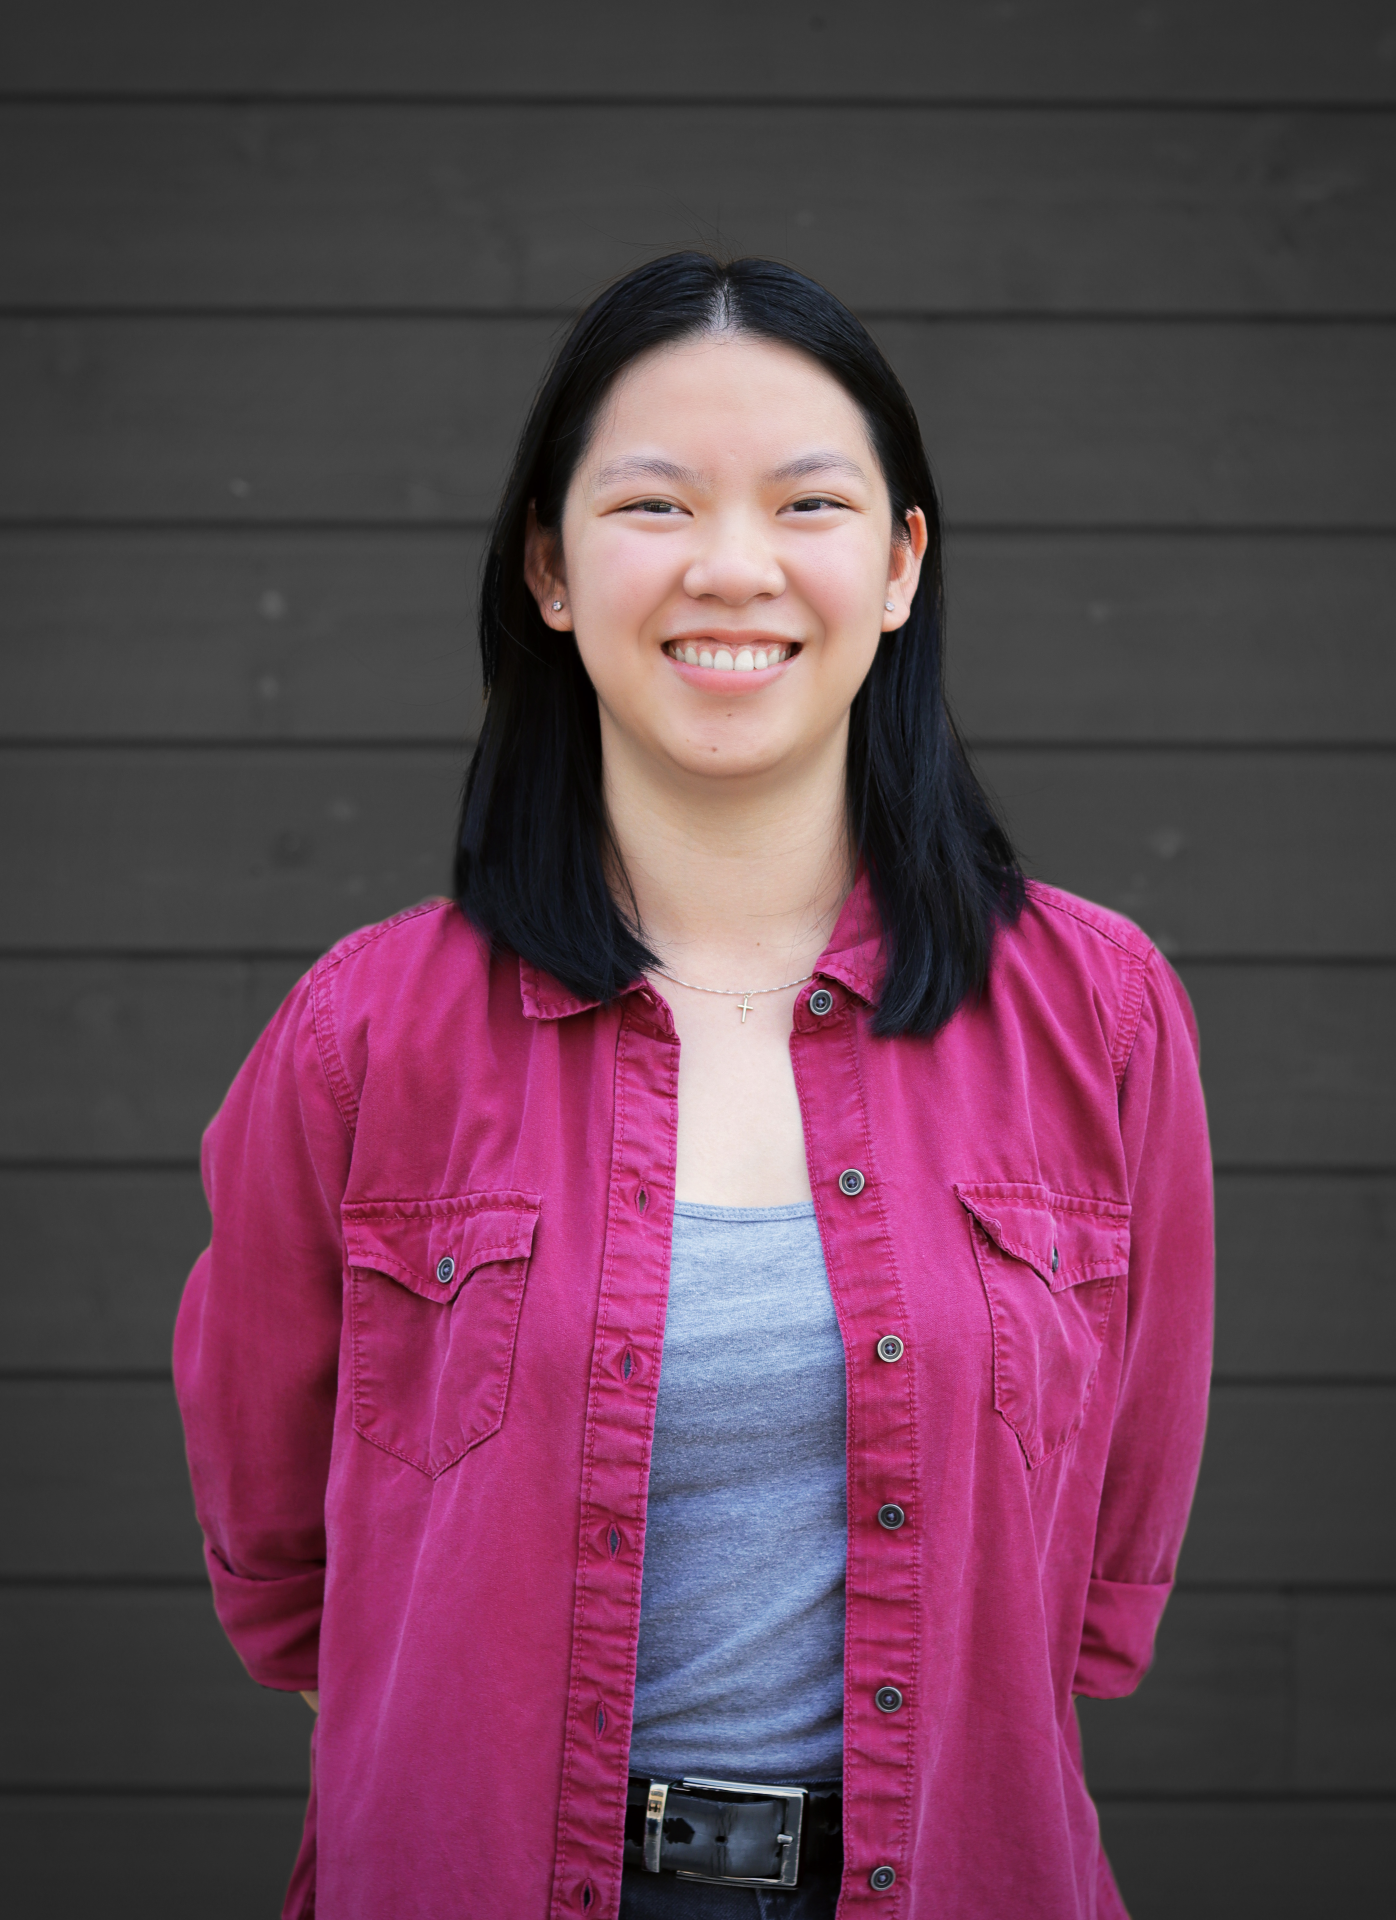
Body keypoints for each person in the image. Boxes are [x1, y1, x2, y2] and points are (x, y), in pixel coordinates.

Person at [174, 253, 1213, 1920]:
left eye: (810, 503)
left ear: (900, 566)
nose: (733, 567)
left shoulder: (1099, 1017)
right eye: (654, 504)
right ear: (550, 566)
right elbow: (288, 1579)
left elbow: (1103, 1571)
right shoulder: (359, 1040)